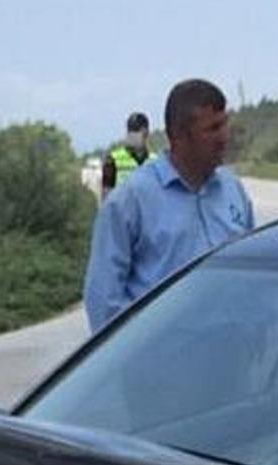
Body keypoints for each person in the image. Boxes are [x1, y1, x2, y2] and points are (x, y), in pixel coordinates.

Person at [83, 79, 254, 331]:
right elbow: (103, 300)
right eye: (213, 128)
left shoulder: (233, 190)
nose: (224, 137)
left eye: (225, 124)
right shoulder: (131, 201)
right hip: (162, 358)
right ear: (179, 136)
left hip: (231, 352)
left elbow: (251, 272)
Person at [101, 111, 153, 199]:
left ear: (146, 132)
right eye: (130, 130)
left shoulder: (155, 162)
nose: (132, 134)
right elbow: (106, 196)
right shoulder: (113, 160)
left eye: (136, 130)